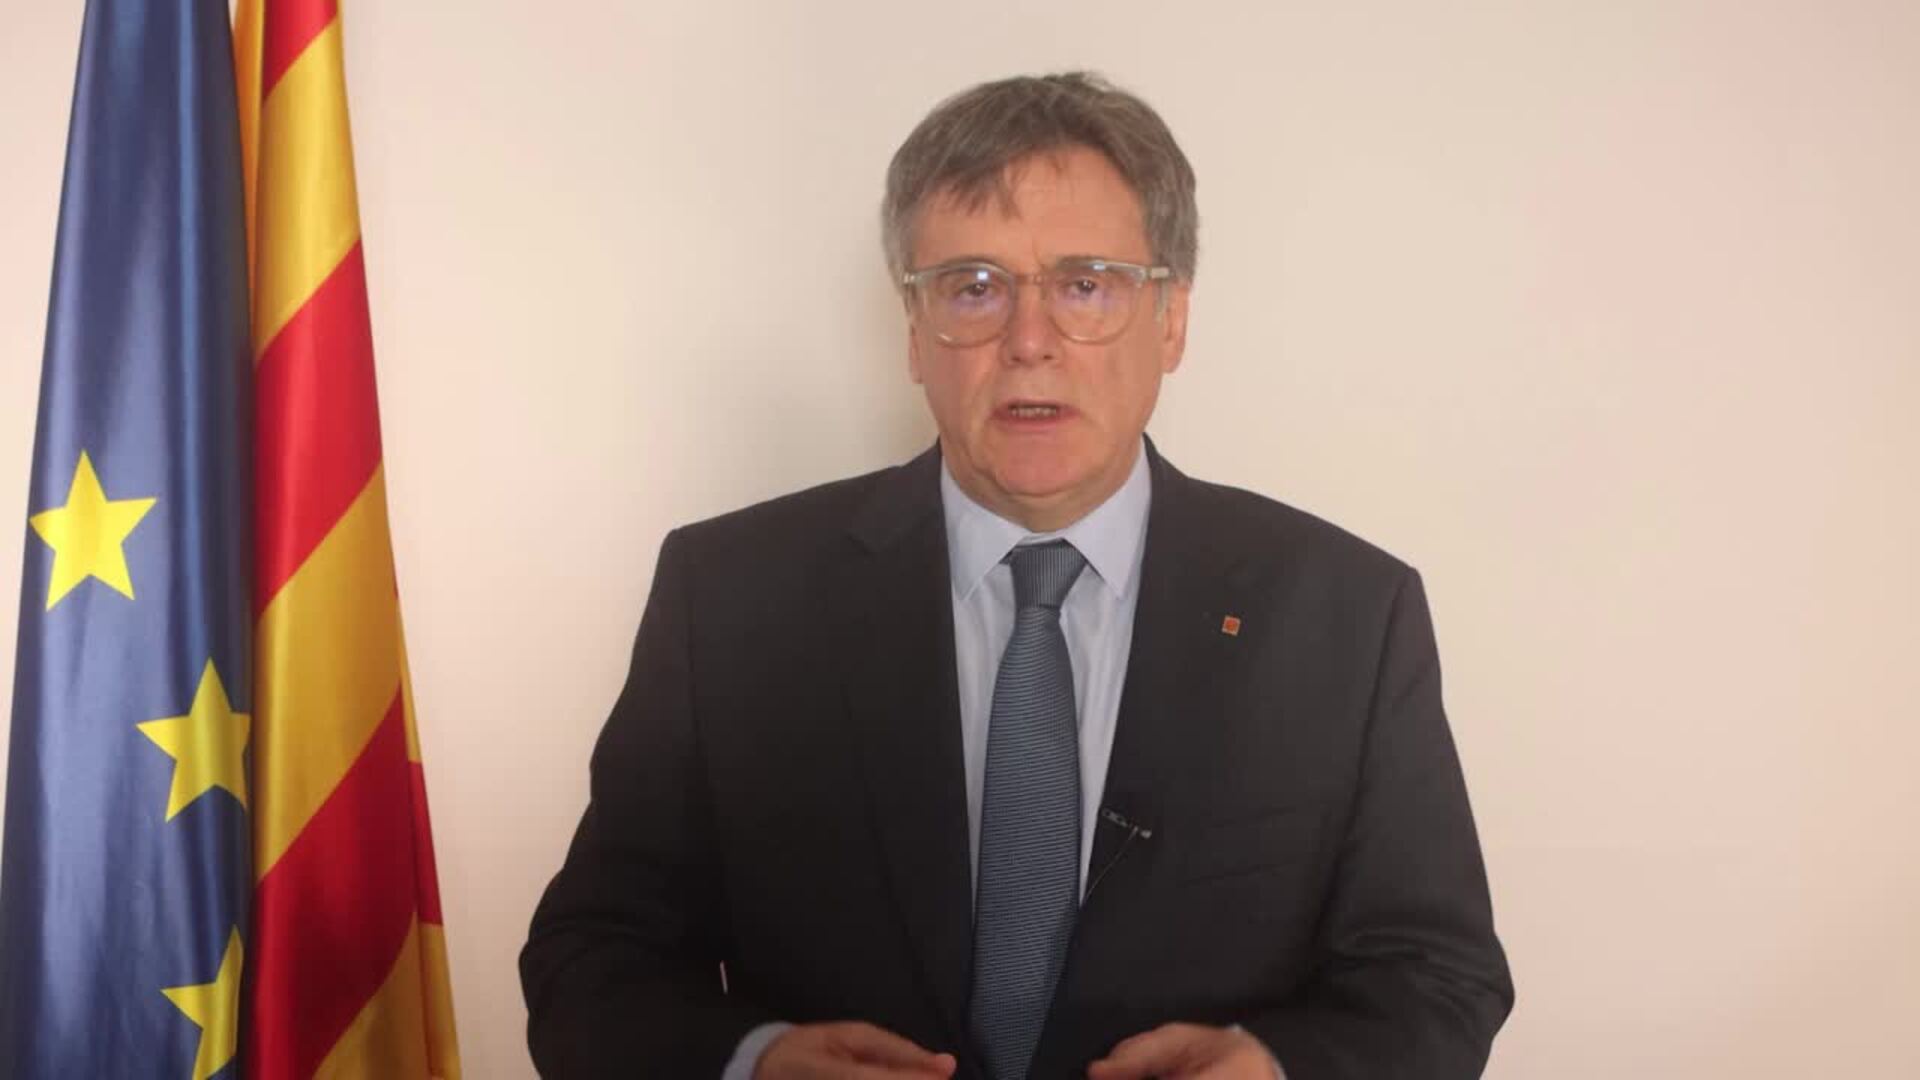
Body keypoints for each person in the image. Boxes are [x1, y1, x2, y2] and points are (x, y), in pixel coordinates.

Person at [520, 72, 1513, 1080]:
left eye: (1086, 285)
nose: (1029, 342)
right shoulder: (731, 597)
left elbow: (1438, 975)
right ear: (914, 332)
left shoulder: (1347, 614)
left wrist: (1279, 1068)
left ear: (1171, 319)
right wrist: (753, 1062)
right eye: (973, 288)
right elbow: (590, 959)